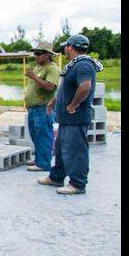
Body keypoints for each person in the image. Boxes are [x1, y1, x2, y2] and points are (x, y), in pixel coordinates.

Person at [39, 34, 102, 195]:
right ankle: (56, 176)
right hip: (66, 119)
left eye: (66, 47)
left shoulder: (84, 65)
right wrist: (55, 101)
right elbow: (66, 88)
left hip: (76, 117)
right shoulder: (75, 65)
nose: (64, 50)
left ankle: (78, 184)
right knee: (60, 149)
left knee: (76, 151)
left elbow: (85, 87)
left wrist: (73, 105)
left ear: (71, 47)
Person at [23, 42, 61, 172]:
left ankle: (44, 163)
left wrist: (33, 77)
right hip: (34, 108)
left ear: (47, 55)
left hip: (44, 108)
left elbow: (50, 86)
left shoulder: (52, 68)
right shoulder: (38, 67)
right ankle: (39, 159)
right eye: (35, 54)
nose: (36, 57)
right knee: (35, 135)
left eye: (39, 54)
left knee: (44, 136)